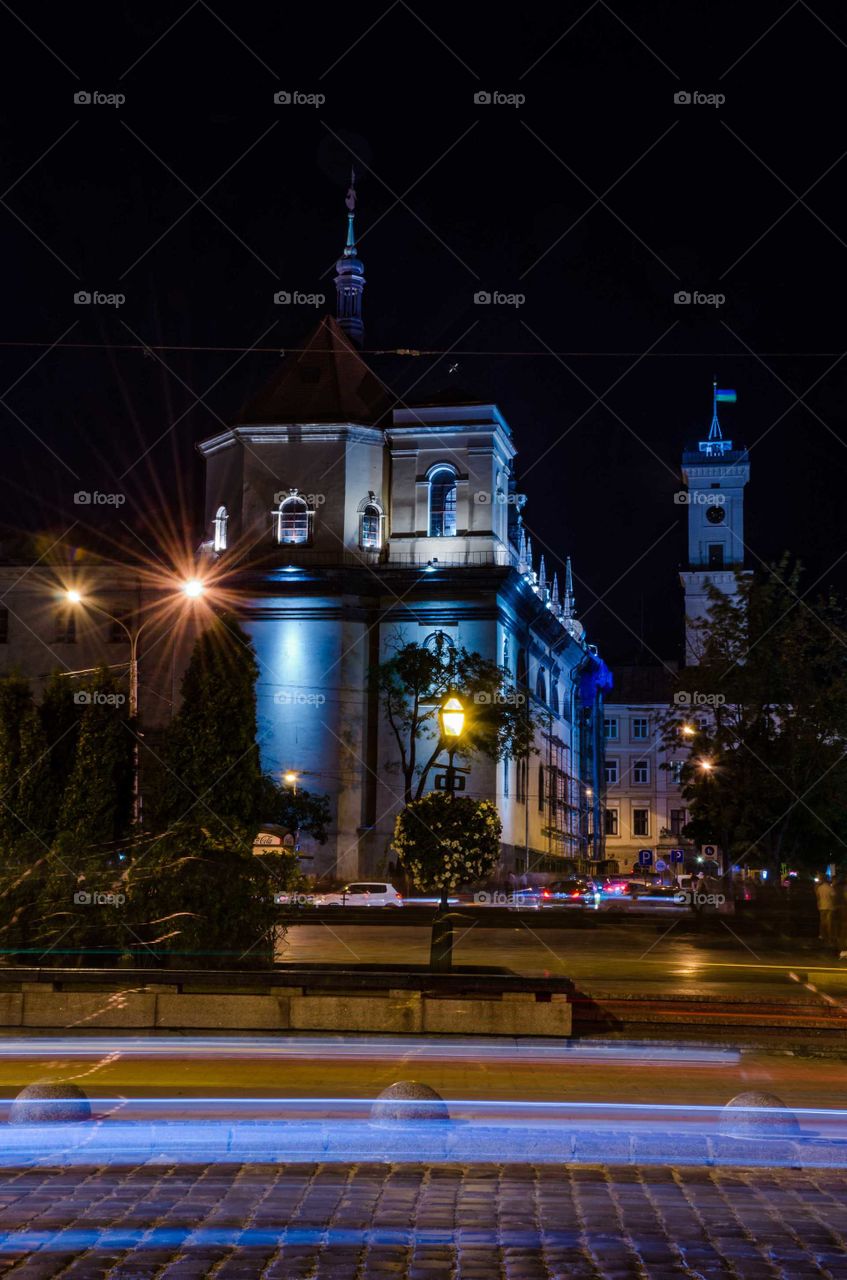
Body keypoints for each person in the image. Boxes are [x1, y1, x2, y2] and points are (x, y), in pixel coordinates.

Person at [816, 877, 835, 947]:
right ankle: (829, 938)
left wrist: (818, 904)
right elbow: (833, 897)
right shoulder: (830, 888)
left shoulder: (819, 888)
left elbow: (818, 898)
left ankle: (822, 936)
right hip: (829, 907)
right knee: (829, 923)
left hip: (822, 907)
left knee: (822, 922)